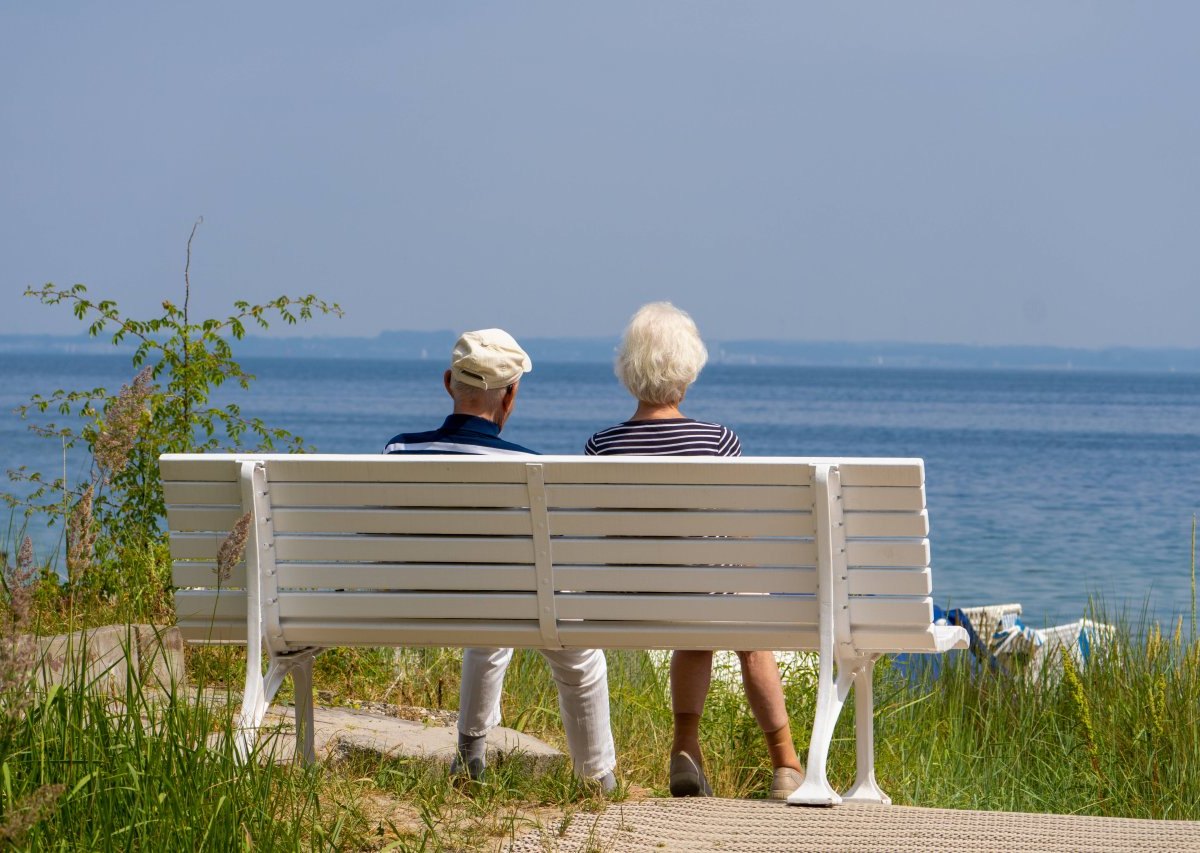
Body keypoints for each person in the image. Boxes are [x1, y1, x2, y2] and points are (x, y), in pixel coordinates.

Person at [585, 302, 805, 800]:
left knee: (697, 608)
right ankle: (786, 764)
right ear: (686, 373)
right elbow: (733, 528)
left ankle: (686, 748)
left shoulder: (602, 446)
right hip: (702, 597)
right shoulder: (719, 441)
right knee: (739, 611)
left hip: (632, 603)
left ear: (629, 373)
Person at [385, 328, 617, 791]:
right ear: (510, 396)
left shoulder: (399, 451)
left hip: (409, 609)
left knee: (489, 610)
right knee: (576, 650)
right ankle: (596, 779)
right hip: (498, 603)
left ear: (449, 382)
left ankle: (470, 754)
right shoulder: (532, 468)